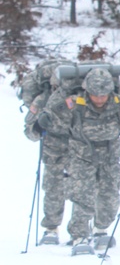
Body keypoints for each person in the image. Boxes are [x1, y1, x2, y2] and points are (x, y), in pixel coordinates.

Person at [37, 68, 120, 253]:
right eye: (95, 95)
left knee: (110, 196)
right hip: (82, 155)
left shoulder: (119, 102)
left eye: (103, 95)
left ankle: (100, 229)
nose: (99, 99)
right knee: (83, 196)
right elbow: (56, 120)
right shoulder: (76, 103)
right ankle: (79, 235)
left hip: (110, 156)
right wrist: (43, 121)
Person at [20, 59, 73, 245]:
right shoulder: (43, 99)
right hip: (53, 150)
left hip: (81, 148)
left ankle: (83, 228)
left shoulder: (80, 96)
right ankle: (51, 228)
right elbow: (30, 131)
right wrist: (37, 127)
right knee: (53, 189)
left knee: (85, 189)